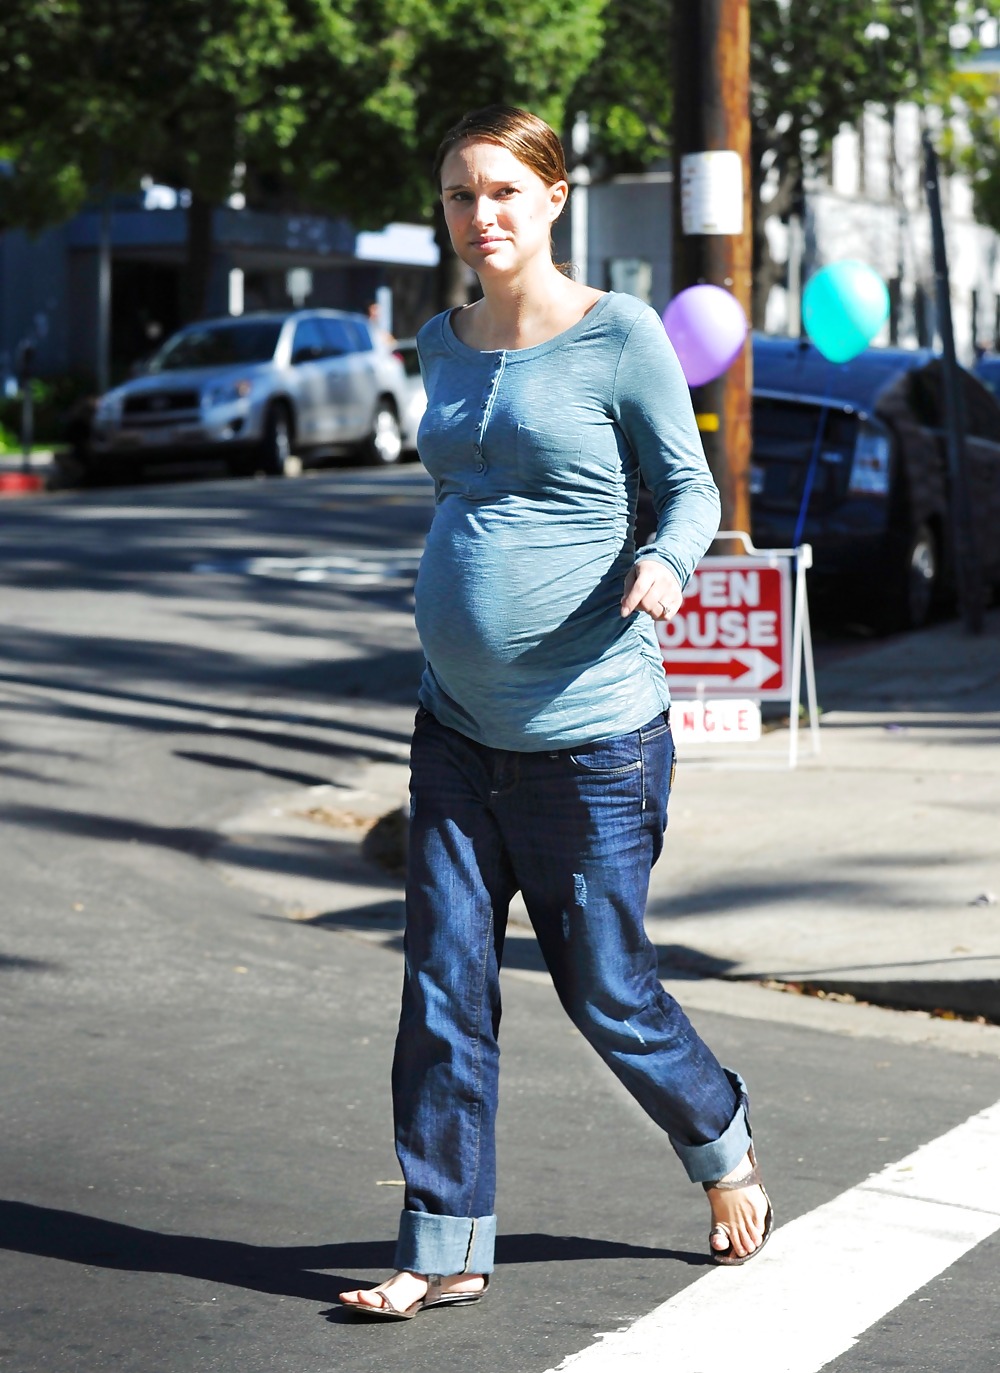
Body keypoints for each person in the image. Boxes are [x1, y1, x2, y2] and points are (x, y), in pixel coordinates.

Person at [338, 105, 772, 1321]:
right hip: (455, 728)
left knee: (607, 988)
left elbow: (689, 487)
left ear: (552, 197)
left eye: (502, 193)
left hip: (590, 737)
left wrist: (666, 568)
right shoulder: (442, 340)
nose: (481, 216)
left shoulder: (619, 335)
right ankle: (446, 1240)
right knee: (441, 985)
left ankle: (718, 1140)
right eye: (460, 197)